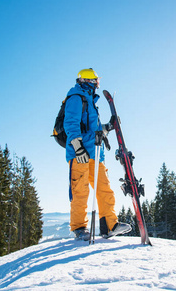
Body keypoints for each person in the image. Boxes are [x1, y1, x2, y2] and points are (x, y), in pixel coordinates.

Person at [64, 68, 131, 241]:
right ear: (89, 81)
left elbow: (93, 129)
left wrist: (109, 126)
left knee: (104, 188)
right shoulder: (76, 98)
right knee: (80, 191)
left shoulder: (91, 100)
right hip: (80, 154)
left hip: (95, 152)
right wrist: (78, 148)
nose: (98, 83)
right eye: (96, 80)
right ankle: (79, 228)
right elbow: (70, 124)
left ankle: (109, 225)